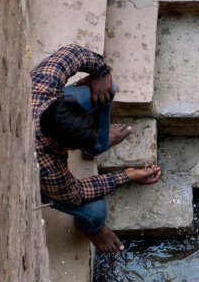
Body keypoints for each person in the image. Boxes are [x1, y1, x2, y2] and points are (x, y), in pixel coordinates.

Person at [30, 43, 163, 253]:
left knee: (106, 89)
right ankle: (92, 228)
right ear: (62, 146)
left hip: (39, 114)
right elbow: (77, 192)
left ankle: (97, 144)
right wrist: (127, 175)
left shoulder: (42, 88)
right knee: (95, 211)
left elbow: (71, 53)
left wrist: (102, 72)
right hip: (38, 181)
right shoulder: (47, 166)